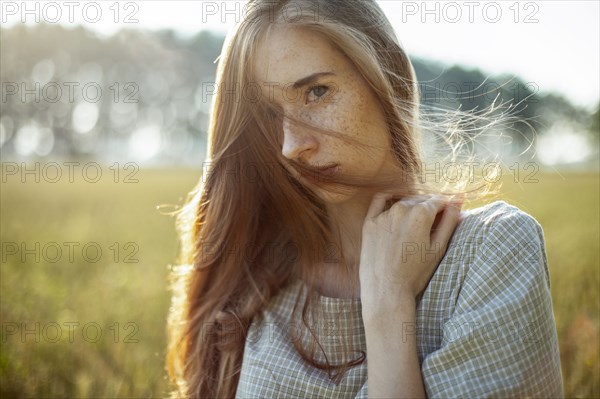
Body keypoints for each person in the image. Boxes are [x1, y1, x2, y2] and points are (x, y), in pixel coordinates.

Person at [166, 0, 564, 398]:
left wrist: (388, 304)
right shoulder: (258, 287)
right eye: (270, 115)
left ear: (387, 75)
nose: (291, 145)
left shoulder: (492, 251)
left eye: (316, 92)